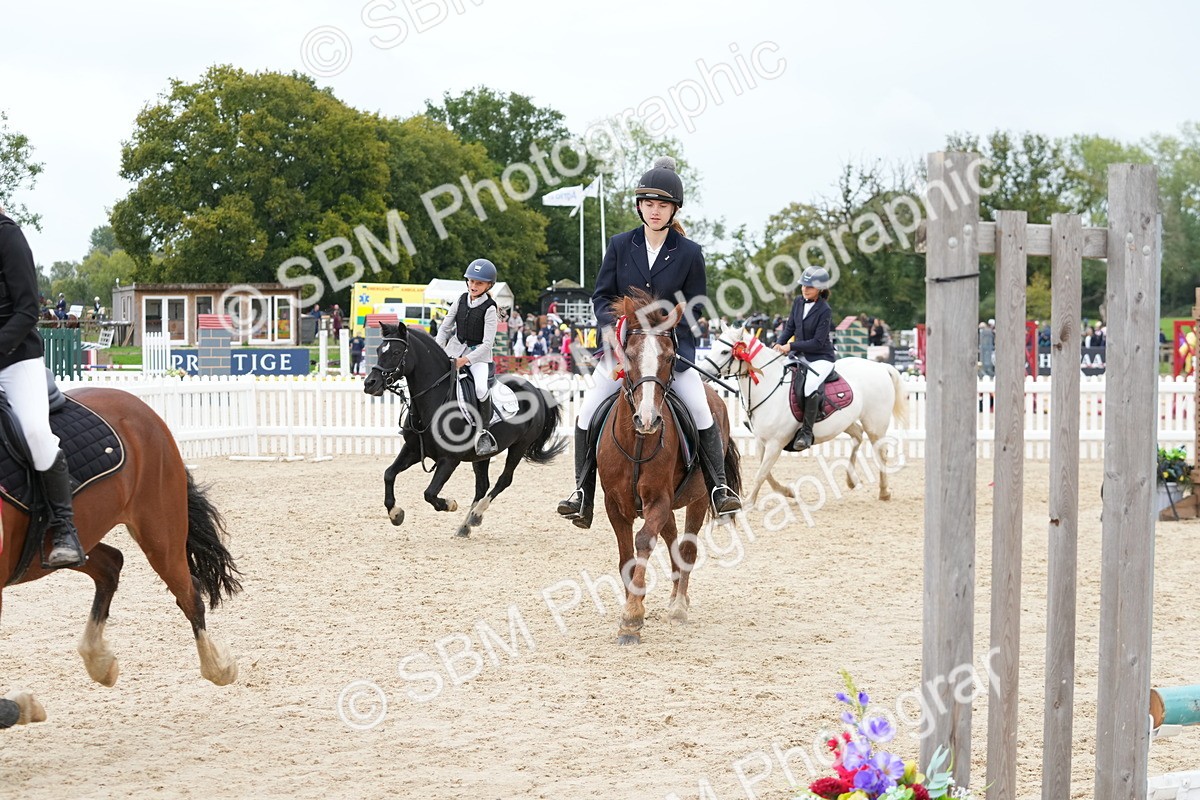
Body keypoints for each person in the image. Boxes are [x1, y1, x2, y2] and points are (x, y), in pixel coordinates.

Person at [557, 156, 741, 528]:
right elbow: (601, 295)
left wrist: (670, 328)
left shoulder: (689, 252)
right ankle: (582, 492)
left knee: (702, 410)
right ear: (640, 206)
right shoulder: (620, 244)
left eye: (663, 205)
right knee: (588, 409)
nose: (655, 211)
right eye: (649, 204)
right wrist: (617, 324)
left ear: (674, 210)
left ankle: (719, 488)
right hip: (625, 348)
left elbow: (698, 304)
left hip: (669, 352)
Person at [0, 208, 86, 568]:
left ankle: (65, 529)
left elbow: (27, 310)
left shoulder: (7, 235)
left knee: (36, 432)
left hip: (17, 358)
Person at [436, 258, 501, 457]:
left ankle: (483, 432)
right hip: (455, 349)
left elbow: (487, 343)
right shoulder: (460, 300)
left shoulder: (490, 308)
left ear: (488, 285)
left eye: (479, 283)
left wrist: (466, 360)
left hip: (478, 356)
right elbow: (445, 327)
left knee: (481, 388)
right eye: (471, 281)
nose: (473, 286)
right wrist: (438, 350)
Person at [773, 266, 836, 451]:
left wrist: (791, 346)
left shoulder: (825, 310)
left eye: (809, 287)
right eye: (803, 285)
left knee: (809, 386)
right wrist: (779, 344)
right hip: (799, 355)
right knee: (779, 377)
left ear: (820, 289)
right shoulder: (798, 302)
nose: (804, 289)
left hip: (820, 357)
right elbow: (790, 327)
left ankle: (806, 432)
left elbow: (817, 342)